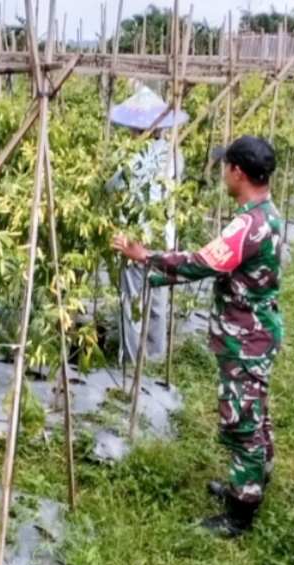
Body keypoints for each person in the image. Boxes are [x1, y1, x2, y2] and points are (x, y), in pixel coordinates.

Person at [110, 135, 283, 538]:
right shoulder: (265, 213)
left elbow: (204, 263)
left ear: (237, 172)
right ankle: (252, 480)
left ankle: (241, 511)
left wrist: (145, 257)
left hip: (247, 337)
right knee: (254, 411)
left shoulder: (249, 226)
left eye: (226, 165)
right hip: (254, 332)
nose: (223, 171)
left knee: (242, 420)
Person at [104, 85, 187, 365]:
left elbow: (109, 188)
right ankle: (154, 355)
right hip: (164, 237)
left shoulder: (129, 158)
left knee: (132, 301)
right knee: (157, 301)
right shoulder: (175, 155)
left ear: (135, 130)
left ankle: (132, 358)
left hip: (134, 239)